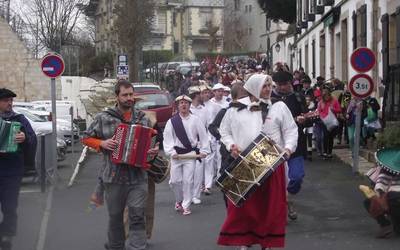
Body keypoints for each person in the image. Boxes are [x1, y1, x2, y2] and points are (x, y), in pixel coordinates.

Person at [218, 74, 298, 249]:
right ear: (254, 87)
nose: (269, 89)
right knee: (242, 208)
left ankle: (266, 242)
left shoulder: (279, 107)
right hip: (244, 163)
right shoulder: (235, 109)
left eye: (270, 85)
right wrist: (231, 145)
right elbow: (224, 131)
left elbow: (291, 130)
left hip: (271, 163)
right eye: (264, 86)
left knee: (269, 208)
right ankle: (243, 241)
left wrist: (289, 148)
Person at [82, 80, 159, 250]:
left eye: (131, 94)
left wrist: (151, 152)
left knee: (137, 215)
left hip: (138, 177)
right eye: (125, 95)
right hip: (113, 177)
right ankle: (115, 246)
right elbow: (85, 137)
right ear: (117, 96)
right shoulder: (104, 117)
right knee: (116, 217)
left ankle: (138, 246)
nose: (129, 98)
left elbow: (149, 144)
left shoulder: (143, 118)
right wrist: (101, 143)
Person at [271, 71, 312, 220]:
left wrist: (304, 120)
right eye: (279, 85)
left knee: (297, 176)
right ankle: (282, 207)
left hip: (295, 144)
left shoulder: (298, 97)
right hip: (274, 145)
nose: (282, 88)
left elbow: (308, 118)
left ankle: (288, 198)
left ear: (291, 83)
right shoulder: (270, 99)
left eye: (285, 84)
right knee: (275, 182)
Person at [0, 88, 37, 250]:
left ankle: (7, 235)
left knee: (10, 206)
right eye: (6, 100)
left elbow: (32, 137)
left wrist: (24, 138)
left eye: (11, 100)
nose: (9, 103)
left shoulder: (19, 119)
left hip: (12, 170)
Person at [163, 95, 209, 215]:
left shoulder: (196, 120)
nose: (183, 105)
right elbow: (167, 138)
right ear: (178, 106)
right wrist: (172, 152)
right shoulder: (172, 122)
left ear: (189, 105)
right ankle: (179, 200)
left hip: (190, 155)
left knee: (188, 181)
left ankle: (186, 205)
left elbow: (203, 136)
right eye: (181, 103)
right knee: (174, 181)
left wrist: (204, 150)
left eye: (186, 103)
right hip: (177, 155)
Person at [188, 86, 210, 205]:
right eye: (201, 94)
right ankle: (187, 195)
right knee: (187, 172)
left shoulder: (205, 110)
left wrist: (207, 144)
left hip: (200, 144)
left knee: (198, 171)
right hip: (187, 146)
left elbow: (207, 126)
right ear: (196, 95)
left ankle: (195, 195)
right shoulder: (187, 108)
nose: (203, 96)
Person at [317, 86, 341, 159]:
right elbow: (319, 111)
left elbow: (339, 109)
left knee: (330, 137)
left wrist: (334, 109)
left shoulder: (334, 101)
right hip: (324, 122)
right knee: (325, 136)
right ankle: (325, 152)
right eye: (325, 96)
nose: (326, 97)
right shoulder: (321, 102)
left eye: (327, 95)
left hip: (332, 121)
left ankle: (329, 152)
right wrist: (322, 116)